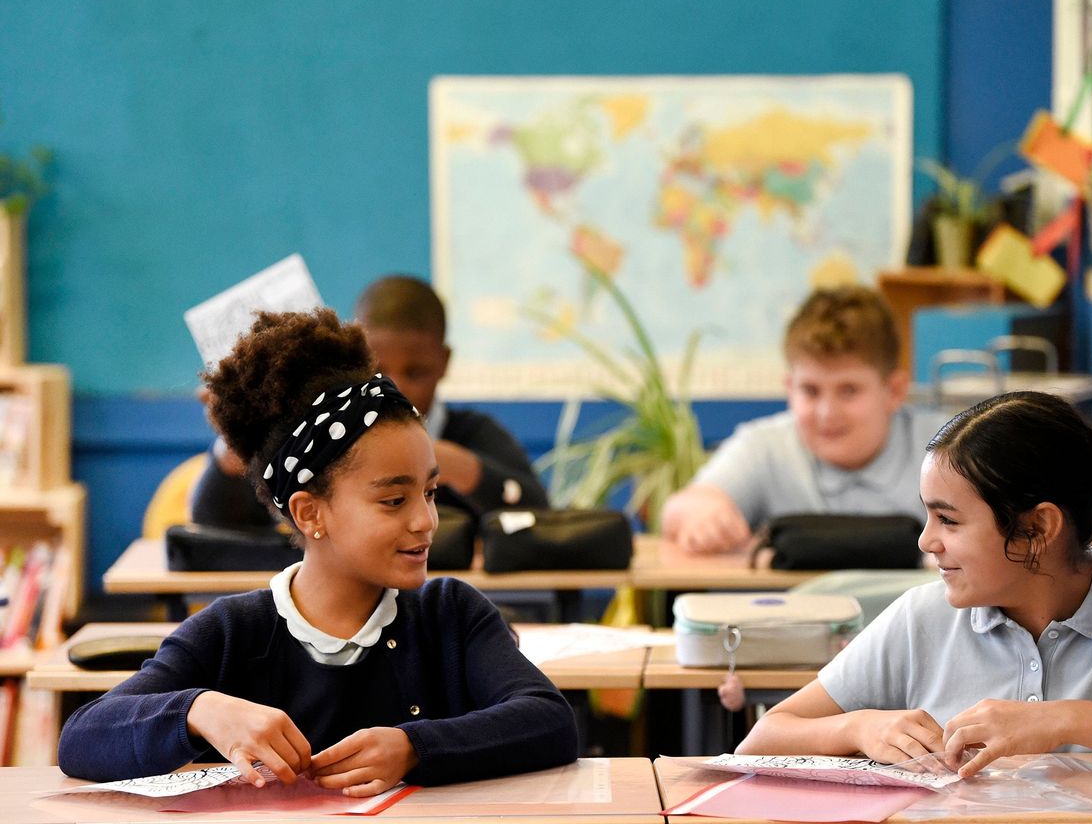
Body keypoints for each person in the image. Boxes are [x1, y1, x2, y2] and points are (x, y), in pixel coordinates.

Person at [60, 310, 578, 792]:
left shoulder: (451, 613)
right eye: (394, 500)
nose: (426, 521)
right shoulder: (232, 631)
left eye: (430, 493)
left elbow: (549, 720)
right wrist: (200, 709)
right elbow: (81, 739)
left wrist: (415, 747)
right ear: (310, 513)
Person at [736, 391, 1092, 779]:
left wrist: (1059, 719)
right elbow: (760, 741)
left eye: (949, 521)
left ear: (1038, 528)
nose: (927, 542)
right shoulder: (920, 619)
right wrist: (857, 729)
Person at [190, 276, 547, 526]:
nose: (397, 388)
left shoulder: (471, 433)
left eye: (416, 372)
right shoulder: (312, 441)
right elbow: (212, 524)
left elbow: (541, 515)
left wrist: (454, 465)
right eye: (378, 369)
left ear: (444, 362)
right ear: (354, 360)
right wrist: (234, 450)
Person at [661, 284, 925, 554]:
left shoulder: (947, 450)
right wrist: (706, 514)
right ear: (789, 388)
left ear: (894, 391)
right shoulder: (764, 446)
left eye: (848, 391)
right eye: (810, 391)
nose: (827, 413)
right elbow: (680, 507)